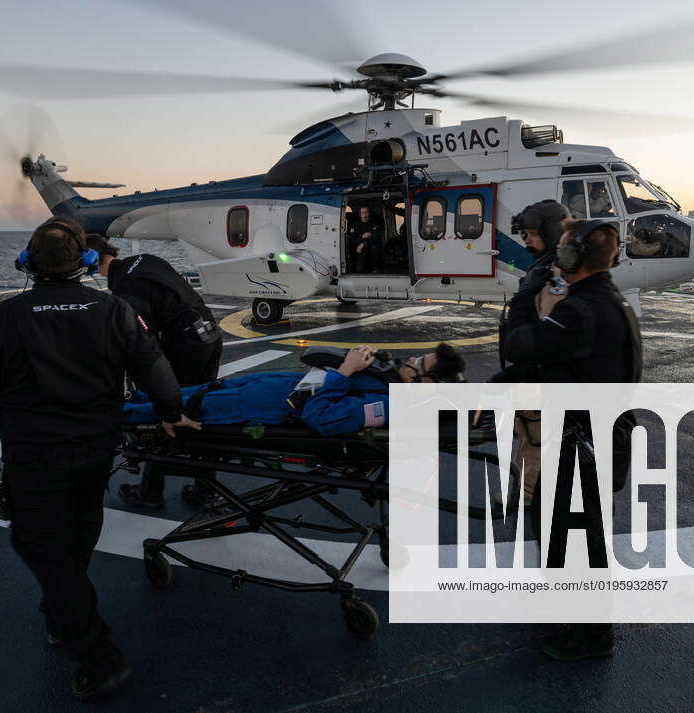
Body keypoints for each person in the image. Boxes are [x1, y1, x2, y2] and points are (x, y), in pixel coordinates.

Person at [0, 218, 198, 701]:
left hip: (36, 459)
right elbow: (154, 367)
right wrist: (171, 413)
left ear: (27, 263)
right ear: (85, 263)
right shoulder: (115, 310)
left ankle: (99, 658)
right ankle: (63, 618)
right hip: (97, 452)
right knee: (80, 537)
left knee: (42, 550)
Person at [501, 217, 643, 662]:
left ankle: (593, 635)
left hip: (584, 442)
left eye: (563, 250)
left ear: (572, 257)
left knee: (579, 537)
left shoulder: (582, 310)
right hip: (588, 436)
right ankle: (566, 606)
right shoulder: (603, 300)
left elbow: (520, 343)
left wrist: (526, 293)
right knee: (557, 527)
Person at [85, 235, 222, 509]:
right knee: (200, 409)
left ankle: (150, 492)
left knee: (168, 414)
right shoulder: (145, 260)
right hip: (209, 335)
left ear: (88, 262)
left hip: (187, 347)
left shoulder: (126, 288)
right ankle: (205, 489)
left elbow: (143, 342)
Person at [124, 344, 466, 435]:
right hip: (273, 385)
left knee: (185, 404)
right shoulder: (393, 383)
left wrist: (346, 370)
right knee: (187, 392)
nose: (410, 360)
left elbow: (322, 418)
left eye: (419, 363)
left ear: (425, 386)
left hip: (266, 407)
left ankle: (102, 412)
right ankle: (125, 398)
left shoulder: (388, 405)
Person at [493, 200, 571, 383]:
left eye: (533, 234)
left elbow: (549, 330)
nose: (527, 239)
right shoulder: (546, 266)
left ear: (551, 233)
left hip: (543, 370)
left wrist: (524, 295)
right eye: (525, 234)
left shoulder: (554, 272)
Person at [347, 205, 383, 273]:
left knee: (375, 246)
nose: (365, 214)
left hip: (371, 249)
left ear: (369, 213)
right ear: (360, 214)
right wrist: (362, 237)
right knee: (359, 269)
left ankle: (375, 267)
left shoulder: (374, 224)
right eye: (363, 213)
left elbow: (377, 238)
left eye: (366, 212)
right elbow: (352, 240)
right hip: (360, 251)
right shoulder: (355, 225)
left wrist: (363, 244)